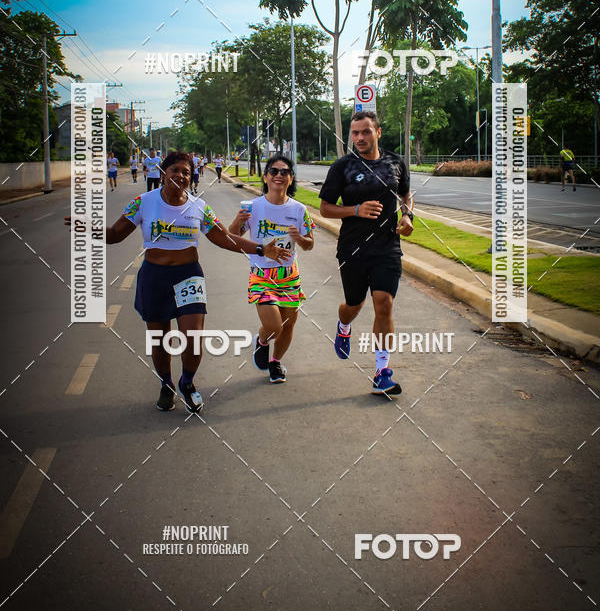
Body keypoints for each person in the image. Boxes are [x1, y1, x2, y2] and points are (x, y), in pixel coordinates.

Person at [66, 151, 290, 414]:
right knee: (159, 339)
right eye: (175, 170)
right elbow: (115, 234)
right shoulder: (142, 203)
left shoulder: (199, 206)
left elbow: (224, 238)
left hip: (188, 276)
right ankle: (166, 384)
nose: (181, 176)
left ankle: (187, 382)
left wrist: (260, 249)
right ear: (163, 173)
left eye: (186, 172)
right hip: (154, 277)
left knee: (193, 337)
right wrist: (89, 228)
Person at [319, 111, 414, 397]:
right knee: (354, 304)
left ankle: (382, 372)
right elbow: (325, 208)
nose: (359, 137)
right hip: (353, 248)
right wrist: (356, 210)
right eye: (355, 133)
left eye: (365, 132)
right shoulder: (343, 167)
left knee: (384, 303)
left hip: (387, 247)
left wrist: (407, 216)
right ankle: (343, 325)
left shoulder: (395, 163)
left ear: (378, 132)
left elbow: (406, 195)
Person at [229, 155, 314, 384]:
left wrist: (300, 238)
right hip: (262, 274)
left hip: (289, 275)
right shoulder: (254, 207)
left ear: (291, 178)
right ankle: (262, 340)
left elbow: (309, 244)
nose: (279, 175)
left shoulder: (299, 210)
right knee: (274, 326)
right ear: (265, 177)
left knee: (287, 325)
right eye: (274, 171)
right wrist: (238, 221)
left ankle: (275, 362)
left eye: (284, 172)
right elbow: (232, 238)